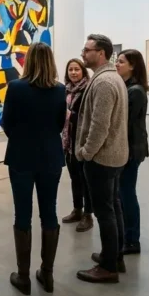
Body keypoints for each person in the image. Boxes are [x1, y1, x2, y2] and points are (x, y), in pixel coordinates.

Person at [1, 42, 65, 295]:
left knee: (22, 214)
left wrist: (21, 138)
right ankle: (47, 275)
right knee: (49, 212)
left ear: (28, 61)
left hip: (21, 156)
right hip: (51, 156)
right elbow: (60, 124)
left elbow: (7, 122)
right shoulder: (60, 89)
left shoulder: (16, 87)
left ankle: (24, 277)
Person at [74, 34, 128, 284]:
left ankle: (108, 267)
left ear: (102, 53)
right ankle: (114, 256)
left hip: (102, 158)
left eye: (87, 50)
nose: (83, 53)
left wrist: (86, 152)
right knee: (113, 206)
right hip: (113, 156)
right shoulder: (110, 77)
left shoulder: (104, 82)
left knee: (105, 212)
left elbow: (99, 125)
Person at [112, 49, 149, 259]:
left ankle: (132, 239)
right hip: (128, 146)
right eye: (117, 61)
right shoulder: (126, 87)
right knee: (122, 192)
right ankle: (126, 236)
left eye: (121, 61)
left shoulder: (135, 91)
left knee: (126, 193)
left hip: (131, 149)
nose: (117, 64)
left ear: (133, 66)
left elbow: (124, 122)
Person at [60, 58, 93, 232]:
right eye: (70, 69)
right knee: (75, 178)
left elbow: (88, 116)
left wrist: (68, 115)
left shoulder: (88, 89)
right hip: (69, 141)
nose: (73, 72)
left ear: (83, 71)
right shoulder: (65, 90)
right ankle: (77, 209)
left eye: (77, 69)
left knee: (86, 180)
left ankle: (88, 214)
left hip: (83, 140)